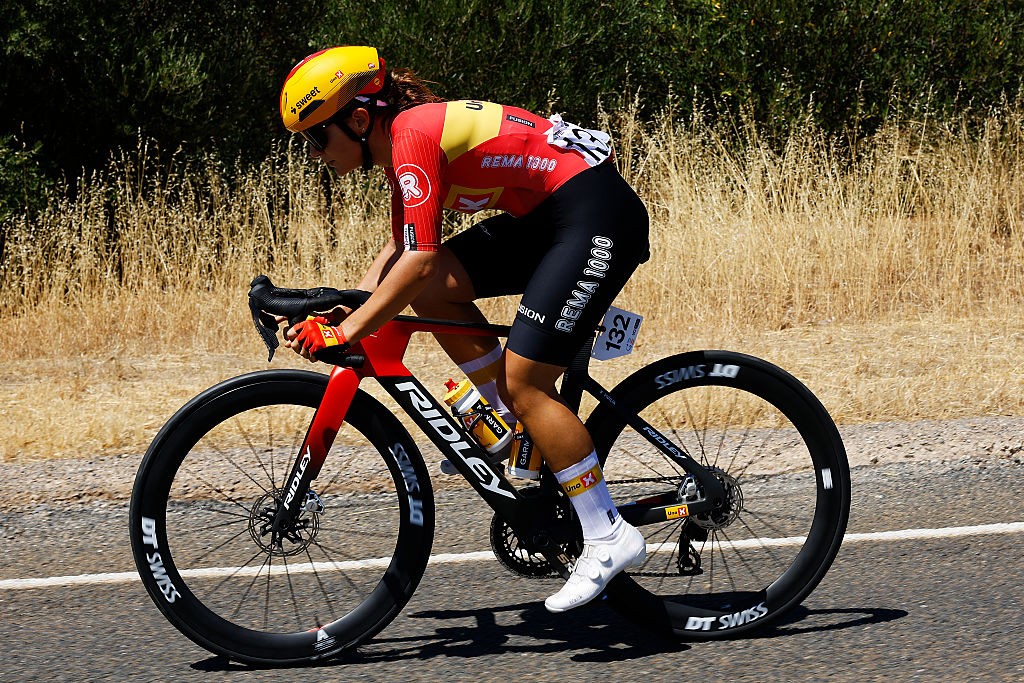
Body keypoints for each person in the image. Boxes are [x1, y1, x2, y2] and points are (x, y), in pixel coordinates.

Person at [278, 46, 650, 613]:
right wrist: (339, 313)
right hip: (551, 217)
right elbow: (403, 259)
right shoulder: (400, 146)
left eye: (315, 136)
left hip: (594, 216)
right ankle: (502, 414)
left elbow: (418, 259)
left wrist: (350, 328)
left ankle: (606, 535)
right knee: (435, 289)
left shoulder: (412, 137)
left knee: (529, 383)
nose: (314, 153)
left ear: (356, 120)